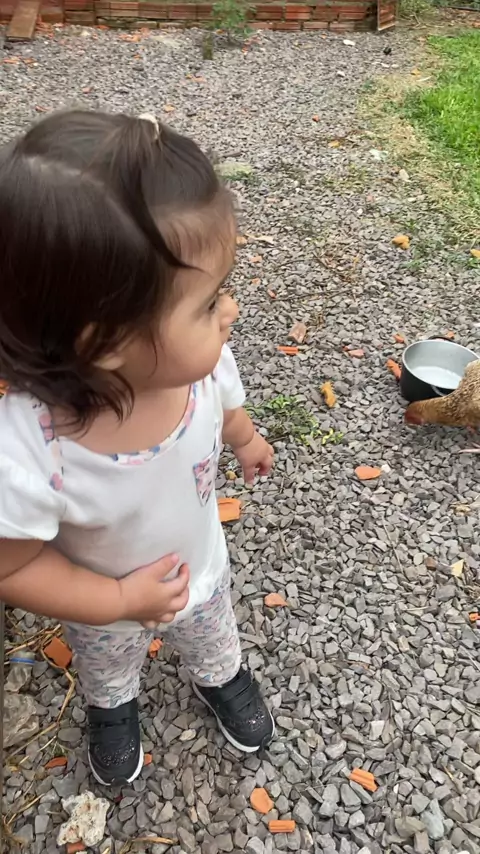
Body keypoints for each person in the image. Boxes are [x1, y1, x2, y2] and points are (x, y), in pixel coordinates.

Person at [0, 110, 275, 786]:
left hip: (199, 568)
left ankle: (221, 676)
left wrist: (244, 438)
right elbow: (13, 565)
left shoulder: (201, 367)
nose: (231, 311)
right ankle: (113, 706)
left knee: (213, 632)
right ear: (106, 343)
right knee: (107, 663)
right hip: (103, 603)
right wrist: (117, 599)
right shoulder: (33, 449)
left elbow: (226, 408)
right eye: (208, 304)